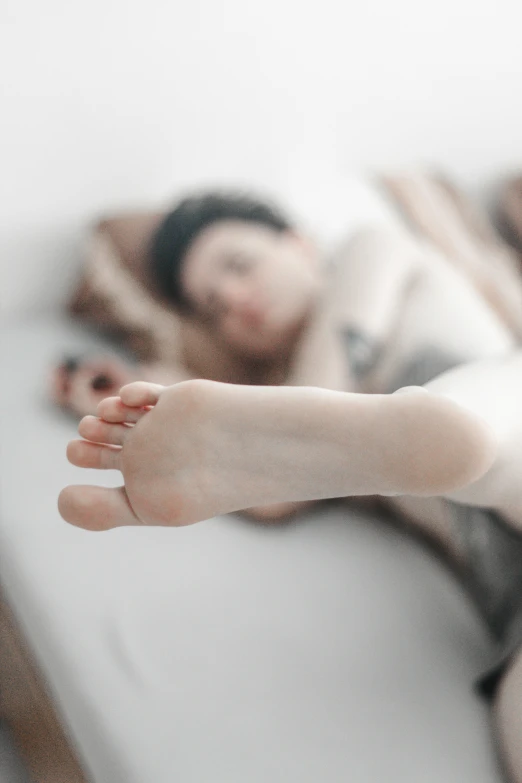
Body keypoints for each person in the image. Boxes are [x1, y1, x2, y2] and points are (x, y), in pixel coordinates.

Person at [55, 191, 516, 520]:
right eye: (215, 309)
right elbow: (274, 499)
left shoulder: (372, 248)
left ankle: (465, 422)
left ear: (298, 244)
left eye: (240, 265)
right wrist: (133, 408)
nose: (234, 298)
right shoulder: (276, 394)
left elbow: (315, 404)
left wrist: (228, 418)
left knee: (483, 400)